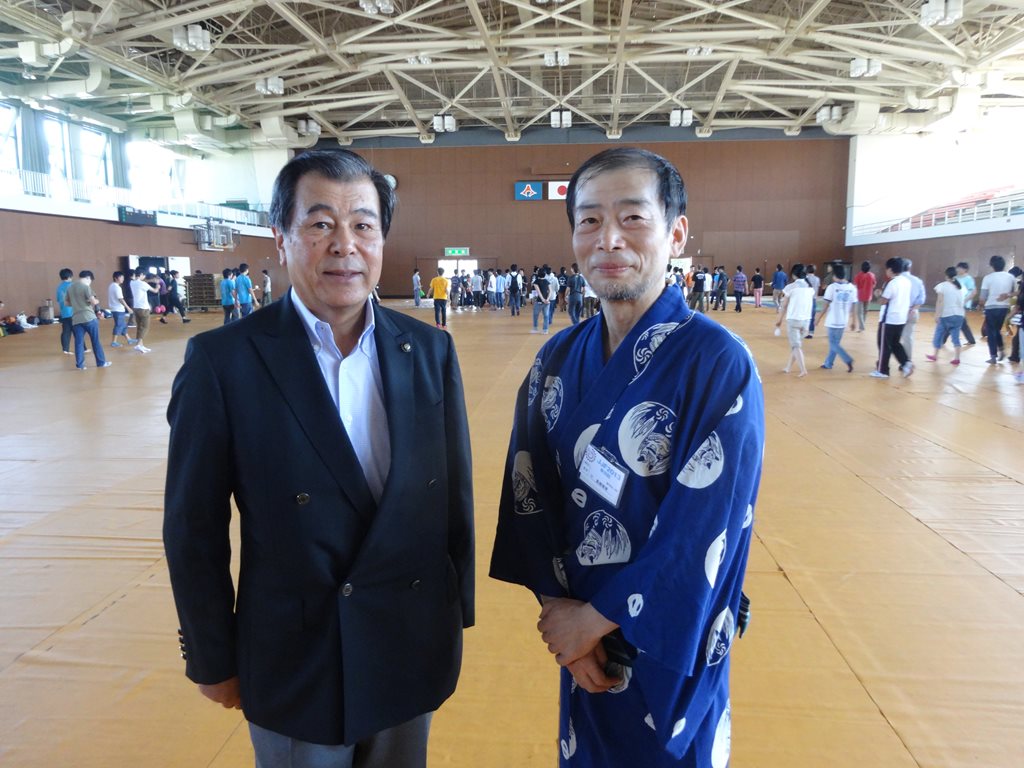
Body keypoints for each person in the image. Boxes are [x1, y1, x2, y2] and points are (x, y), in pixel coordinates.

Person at [163, 150, 474, 768]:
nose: (344, 245)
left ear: (381, 240)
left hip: (407, 638)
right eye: (321, 223)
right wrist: (211, 654)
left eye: (363, 225)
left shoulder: (428, 350)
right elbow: (193, 527)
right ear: (281, 239)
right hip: (295, 654)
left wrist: (451, 612)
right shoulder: (224, 362)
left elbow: (451, 495)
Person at [490, 147, 763, 768]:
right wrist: (561, 614)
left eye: (633, 217)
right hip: (582, 650)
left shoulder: (716, 361)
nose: (608, 238)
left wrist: (597, 620)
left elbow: (705, 525)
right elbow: (529, 491)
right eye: (589, 220)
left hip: (667, 644)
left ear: (677, 233)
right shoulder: (556, 359)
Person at [870, 257, 913, 379]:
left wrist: (878, 295)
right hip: (901, 318)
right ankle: (906, 363)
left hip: (889, 319)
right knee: (895, 343)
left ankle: (883, 370)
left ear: (890, 269)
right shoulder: (906, 282)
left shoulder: (892, 283)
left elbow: (883, 301)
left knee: (884, 345)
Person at [774, 264, 814, 377]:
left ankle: (803, 370)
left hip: (794, 320)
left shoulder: (790, 287)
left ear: (793, 274)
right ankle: (788, 367)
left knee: (796, 346)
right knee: (796, 346)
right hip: (806, 321)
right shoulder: (810, 288)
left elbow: (784, 306)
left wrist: (779, 321)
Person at [66, 270, 111, 370]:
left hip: (76, 319)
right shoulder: (86, 287)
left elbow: (67, 303)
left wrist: (77, 303)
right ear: (88, 278)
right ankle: (101, 362)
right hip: (89, 317)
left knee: (79, 343)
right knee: (95, 341)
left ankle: (80, 365)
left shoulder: (70, 288)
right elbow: (94, 302)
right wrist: (96, 301)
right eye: (90, 280)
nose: (90, 282)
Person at [816, 263, 857, 372]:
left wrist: (818, 318)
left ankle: (847, 359)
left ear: (834, 275)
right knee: (835, 343)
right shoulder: (852, 288)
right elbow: (854, 306)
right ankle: (828, 363)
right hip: (843, 321)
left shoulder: (832, 287)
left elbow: (825, 306)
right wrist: (854, 321)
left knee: (833, 344)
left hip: (833, 320)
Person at [978, 254, 1016, 364]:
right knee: (996, 330)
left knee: (991, 331)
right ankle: (1001, 349)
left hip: (991, 307)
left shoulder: (988, 278)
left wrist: (981, 306)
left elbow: (982, 297)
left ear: (992, 265)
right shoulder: (1011, 277)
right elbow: (1013, 292)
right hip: (1004, 307)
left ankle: (993, 356)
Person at [926, 267, 965, 366]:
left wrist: (937, 314)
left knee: (939, 334)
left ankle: (935, 355)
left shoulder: (942, 286)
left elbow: (940, 301)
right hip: (959, 315)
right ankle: (957, 358)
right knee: (955, 337)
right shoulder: (959, 287)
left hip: (946, 314)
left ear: (946, 275)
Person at [899, 259, 925, 361]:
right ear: (909, 268)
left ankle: (885, 362)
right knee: (908, 337)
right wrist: (914, 309)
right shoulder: (917, 281)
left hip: (897, 312)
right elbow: (921, 299)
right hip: (912, 311)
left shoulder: (896, 280)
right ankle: (907, 360)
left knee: (892, 338)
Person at [129, 269, 157, 353]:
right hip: (144, 308)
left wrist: (150, 280)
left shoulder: (132, 283)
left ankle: (141, 345)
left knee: (139, 326)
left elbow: (141, 281)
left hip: (136, 307)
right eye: (144, 275)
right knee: (145, 327)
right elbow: (155, 291)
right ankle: (138, 344)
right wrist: (158, 286)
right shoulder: (143, 284)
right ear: (141, 274)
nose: (144, 277)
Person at [107, 271, 133, 347]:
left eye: (123, 278)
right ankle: (114, 342)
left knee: (123, 325)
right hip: (118, 309)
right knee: (118, 325)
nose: (122, 279)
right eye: (121, 278)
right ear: (116, 278)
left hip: (115, 309)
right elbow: (120, 299)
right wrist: (128, 308)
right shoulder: (117, 287)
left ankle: (129, 339)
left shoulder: (111, 285)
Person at [953, 262, 976, 345]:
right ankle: (971, 340)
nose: (958, 269)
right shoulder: (955, 278)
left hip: (963, 303)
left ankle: (942, 339)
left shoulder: (968, 279)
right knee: (960, 322)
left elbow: (973, 292)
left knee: (956, 321)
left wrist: (965, 301)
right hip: (955, 302)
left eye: (960, 268)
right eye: (958, 268)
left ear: (965, 269)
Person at [56, 267, 76, 355]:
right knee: (78, 331)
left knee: (66, 331)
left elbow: (58, 300)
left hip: (64, 312)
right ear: (70, 276)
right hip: (73, 312)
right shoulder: (72, 285)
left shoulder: (59, 287)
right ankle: (83, 348)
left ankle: (65, 349)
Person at [852, 261, 876, 332]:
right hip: (868, 296)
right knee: (865, 312)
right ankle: (862, 326)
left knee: (860, 313)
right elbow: (874, 285)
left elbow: (855, 285)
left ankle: (862, 327)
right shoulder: (872, 275)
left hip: (860, 296)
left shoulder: (858, 275)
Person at [530, 267, 552, 333]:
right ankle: (545, 330)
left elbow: (538, 291)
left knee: (535, 315)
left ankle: (535, 328)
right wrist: (547, 299)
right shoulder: (547, 281)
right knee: (546, 316)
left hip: (539, 301)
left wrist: (542, 299)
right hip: (547, 302)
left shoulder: (536, 281)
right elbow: (550, 291)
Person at [804, 264, 820, 337]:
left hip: (806, 299)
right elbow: (817, 288)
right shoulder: (817, 279)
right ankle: (811, 332)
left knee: (804, 315)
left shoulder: (805, 278)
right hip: (813, 298)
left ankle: (804, 331)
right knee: (812, 316)